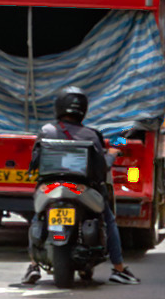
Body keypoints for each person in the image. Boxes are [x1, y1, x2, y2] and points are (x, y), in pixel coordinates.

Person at [21, 83, 133, 287]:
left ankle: (32, 265)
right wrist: (112, 154)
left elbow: (35, 162)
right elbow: (100, 169)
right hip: (83, 190)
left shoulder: (46, 131)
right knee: (108, 218)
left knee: (38, 217)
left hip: (50, 189)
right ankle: (119, 268)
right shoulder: (91, 135)